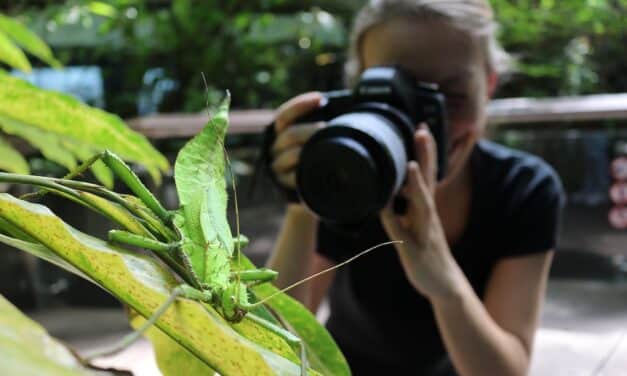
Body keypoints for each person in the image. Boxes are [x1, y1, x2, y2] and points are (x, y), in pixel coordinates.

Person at [265, 1, 565, 375]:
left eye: (452, 96)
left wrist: (442, 279)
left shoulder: (523, 189)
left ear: (488, 85)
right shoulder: (354, 173)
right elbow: (270, 348)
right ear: (361, 91)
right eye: (398, 94)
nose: (427, 128)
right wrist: (302, 202)